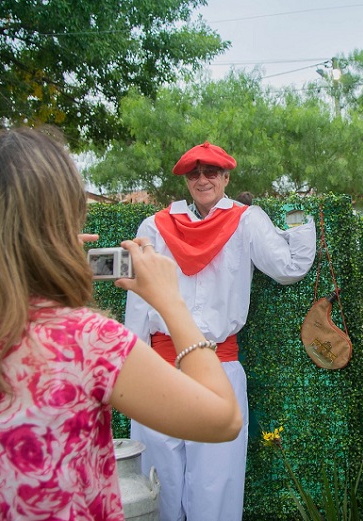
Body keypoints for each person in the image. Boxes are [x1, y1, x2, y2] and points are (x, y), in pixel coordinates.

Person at [0, 128, 242, 519]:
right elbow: (223, 420)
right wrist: (170, 300)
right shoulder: (86, 342)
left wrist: (34, 269)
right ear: (58, 216)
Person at [124, 141, 316, 521]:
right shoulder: (156, 226)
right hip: (159, 367)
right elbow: (138, 303)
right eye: (194, 173)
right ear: (186, 181)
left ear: (226, 177)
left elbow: (286, 267)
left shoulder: (246, 220)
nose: (202, 179)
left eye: (211, 171)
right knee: (157, 478)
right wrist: (132, 366)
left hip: (218, 364)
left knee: (215, 482)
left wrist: (300, 222)